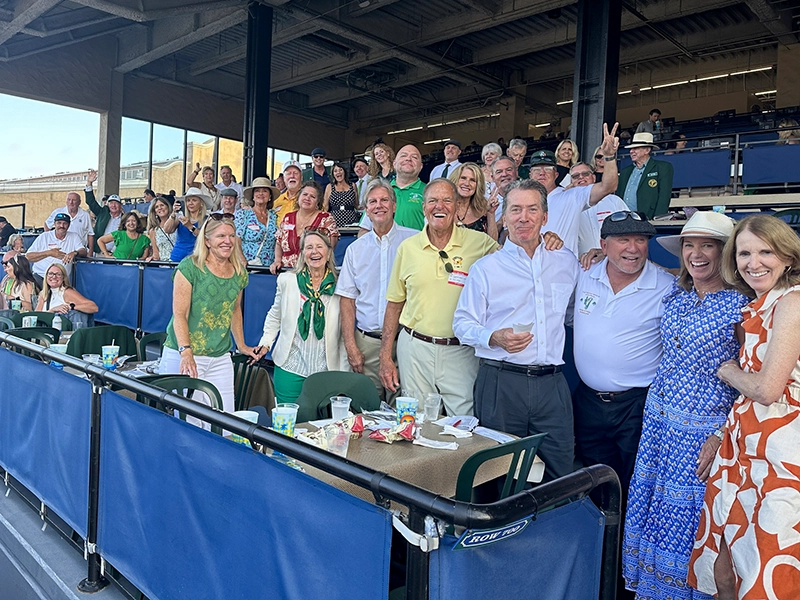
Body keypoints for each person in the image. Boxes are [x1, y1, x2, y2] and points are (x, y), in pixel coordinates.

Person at [623, 212, 747, 600]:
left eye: (707, 245)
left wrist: (720, 435)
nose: (696, 254)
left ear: (725, 253)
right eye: (689, 245)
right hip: (661, 423)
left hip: (703, 431)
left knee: (692, 521)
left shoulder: (743, 306)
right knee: (655, 510)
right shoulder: (679, 294)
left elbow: (755, 380)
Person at [688, 215, 800, 600]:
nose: (754, 262)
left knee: (766, 572)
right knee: (724, 569)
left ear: (787, 256)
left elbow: (767, 389)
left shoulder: (792, 303)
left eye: (766, 252)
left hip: (780, 458)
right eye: (744, 253)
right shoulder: (759, 305)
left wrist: (729, 371)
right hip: (740, 449)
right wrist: (722, 433)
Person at [453, 179, 578, 482]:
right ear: (504, 217)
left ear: (544, 217)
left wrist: (595, 255)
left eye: (532, 209)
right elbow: (462, 324)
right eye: (516, 209)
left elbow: (576, 311)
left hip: (552, 385)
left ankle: (553, 527)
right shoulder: (486, 268)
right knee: (497, 472)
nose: (524, 217)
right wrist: (493, 337)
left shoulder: (567, 262)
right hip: (501, 382)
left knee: (560, 468)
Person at [572, 211, 674, 495]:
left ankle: (628, 540)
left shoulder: (666, 287)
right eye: (623, 240)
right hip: (588, 401)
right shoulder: (584, 274)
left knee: (634, 483)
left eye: (641, 239)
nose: (633, 248)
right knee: (594, 480)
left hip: (636, 405)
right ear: (603, 246)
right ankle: (601, 538)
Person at [379, 178, 500, 416]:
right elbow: (394, 304)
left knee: (465, 421)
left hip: (461, 350)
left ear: (457, 207)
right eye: (432, 201)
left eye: (447, 200)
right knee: (416, 421)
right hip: (415, 349)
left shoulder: (481, 244)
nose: (439, 206)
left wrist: (547, 240)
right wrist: (385, 357)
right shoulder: (408, 247)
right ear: (423, 208)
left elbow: (513, 263)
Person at [159, 215, 259, 424]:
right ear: (207, 240)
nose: (228, 241)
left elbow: (234, 310)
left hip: (220, 355)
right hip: (185, 354)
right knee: (189, 424)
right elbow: (180, 314)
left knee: (225, 424)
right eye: (221, 235)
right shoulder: (190, 267)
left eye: (231, 235)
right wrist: (186, 352)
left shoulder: (239, 272)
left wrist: (241, 345)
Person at [336, 179, 417, 403]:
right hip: (367, 344)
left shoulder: (415, 241)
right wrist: (351, 346)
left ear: (394, 205)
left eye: (384, 200)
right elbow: (347, 300)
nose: (378, 205)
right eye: (372, 202)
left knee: (405, 411)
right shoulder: (355, 250)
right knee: (367, 411)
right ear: (366, 211)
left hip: (405, 343)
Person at [257, 231, 347, 407]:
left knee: (322, 426)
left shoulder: (341, 285)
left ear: (329, 253)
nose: (314, 252)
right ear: (302, 254)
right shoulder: (288, 280)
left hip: (326, 367)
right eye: (309, 247)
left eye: (319, 247)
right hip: (290, 364)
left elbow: (345, 330)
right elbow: (275, 315)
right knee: (289, 423)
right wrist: (266, 342)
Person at [532, 122, 621, 256]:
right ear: (530, 175)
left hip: (563, 270)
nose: (542, 173)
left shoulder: (572, 195)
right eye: (537, 169)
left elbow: (608, 186)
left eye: (548, 169)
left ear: (556, 175)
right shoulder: (522, 200)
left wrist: (609, 157)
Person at [272, 181, 339, 273]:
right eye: (305, 194)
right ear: (298, 197)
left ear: (317, 202)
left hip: (313, 273)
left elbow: (330, 248)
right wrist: (277, 261)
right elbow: (278, 243)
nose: (307, 198)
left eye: (312, 196)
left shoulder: (326, 219)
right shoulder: (288, 217)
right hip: (286, 272)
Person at [359, 145, 425, 235]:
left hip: (416, 248)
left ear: (421, 166)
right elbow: (364, 230)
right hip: (383, 248)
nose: (408, 159)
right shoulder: (379, 191)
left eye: (414, 157)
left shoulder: (429, 192)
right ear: (394, 163)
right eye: (403, 155)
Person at [571, 162, 627, 255]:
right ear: (571, 182)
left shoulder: (614, 200)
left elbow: (629, 229)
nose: (581, 177)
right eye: (575, 176)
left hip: (611, 261)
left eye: (585, 174)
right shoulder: (566, 206)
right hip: (580, 264)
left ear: (594, 178)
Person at [616, 132, 674, 219]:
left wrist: (658, 218)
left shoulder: (662, 167)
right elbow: (619, 195)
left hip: (647, 218)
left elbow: (664, 196)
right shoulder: (625, 171)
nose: (631, 151)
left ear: (647, 150)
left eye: (635, 148)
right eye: (631, 148)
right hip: (625, 219)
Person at [26, 212, 87, 288]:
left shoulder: (74, 236)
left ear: (69, 225)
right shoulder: (44, 236)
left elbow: (84, 251)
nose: (62, 226)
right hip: (41, 277)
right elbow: (28, 256)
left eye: (65, 223)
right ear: (54, 224)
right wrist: (49, 253)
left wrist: (75, 253)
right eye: (59, 223)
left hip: (61, 280)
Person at [236, 177, 279, 267]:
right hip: (248, 267)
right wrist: (242, 260)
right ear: (253, 196)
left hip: (269, 269)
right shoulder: (243, 214)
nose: (261, 193)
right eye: (257, 191)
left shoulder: (274, 216)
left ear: (270, 196)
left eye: (265, 191)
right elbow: (236, 239)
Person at [449, 163, 499, 240]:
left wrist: (491, 213)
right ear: (455, 180)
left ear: (478, 185)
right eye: (463, 178)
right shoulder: (443, 206)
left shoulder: (483, 208)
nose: (467, 183)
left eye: (472, 180)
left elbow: (492, 242)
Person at [164, 188, 211, 263]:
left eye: (194, 200)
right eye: (188, 200)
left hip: (196, 259)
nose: (190, 203)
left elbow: (206, 238)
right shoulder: (181, 217)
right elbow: (167, 230)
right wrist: (173, 213)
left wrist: (190, 227)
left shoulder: (207, 219)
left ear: (201, 203)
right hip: (177, 258)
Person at [84, 169, 124, 255]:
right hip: (99, 252)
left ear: (121, 205)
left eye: (116, 203)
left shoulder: (125, 219)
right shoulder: (102, 213)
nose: (113, 205)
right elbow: (90, 201)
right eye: (111, 203)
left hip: (116, 254)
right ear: (107, 204)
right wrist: (89, 183)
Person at [323, 162, 360, 227]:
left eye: (340, 170)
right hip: (334, 220)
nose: (338, 172)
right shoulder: (329, 187)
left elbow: (356, 205)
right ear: (333, 174)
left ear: (344, 172)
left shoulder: (353, 185)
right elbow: (325, 207)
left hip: (351, 219)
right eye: (335, 171)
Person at [146, 196, 177, 261]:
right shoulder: (153, 231)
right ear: (155, 212)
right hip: (164, 265)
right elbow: (156, 253)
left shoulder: (177, 224)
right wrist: (152, 257)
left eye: (162, 205)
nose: (160, 208)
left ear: (168, 207)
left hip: (179, 263)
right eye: (156, 207)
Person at [274, 161, 303, 226]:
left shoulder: (309, 199)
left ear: (301, 177)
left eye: (295, 173)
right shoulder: (277, 200)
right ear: (284, 178)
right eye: (288, 173)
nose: (292, 176)